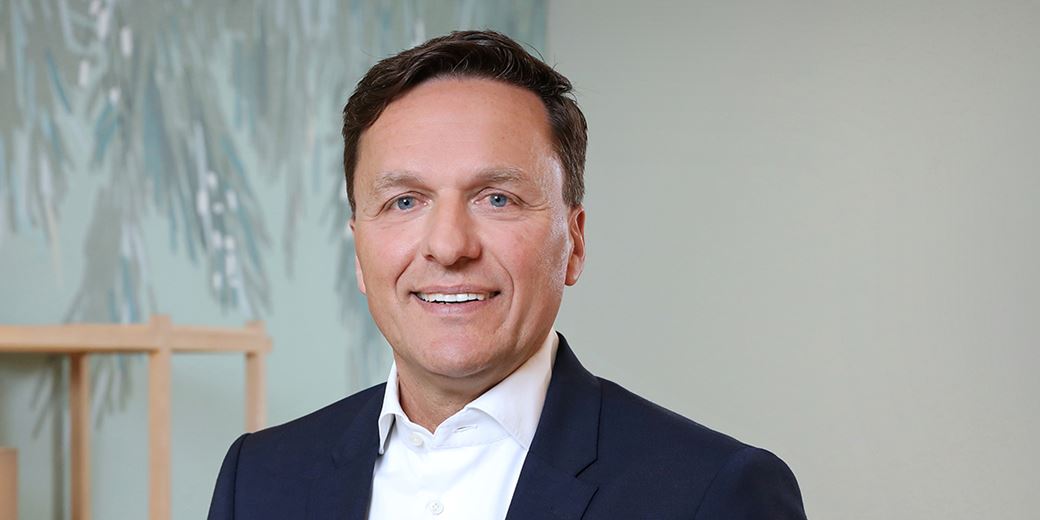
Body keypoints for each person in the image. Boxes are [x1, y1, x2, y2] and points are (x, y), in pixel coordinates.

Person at [208, 30, 806, 519]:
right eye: (404, 201)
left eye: (497, 198)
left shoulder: (714, 494)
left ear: (574, 242)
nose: (448, 247)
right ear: (360, 249)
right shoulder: (257, 480)